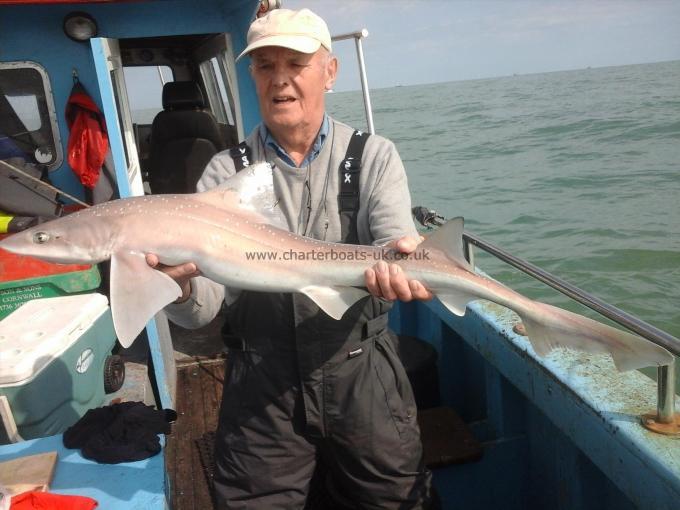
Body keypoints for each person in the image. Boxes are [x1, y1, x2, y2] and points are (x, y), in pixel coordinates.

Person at [149, 8, 437, 509]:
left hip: (360, 372)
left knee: (397, 500)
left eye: (296, 63)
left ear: (330, 71)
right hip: (261, 384)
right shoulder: (223, 173)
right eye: (264, 65)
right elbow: (204, 307)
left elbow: (395, 240)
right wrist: (177, 286)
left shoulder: (373, 157)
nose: (279, 79)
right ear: (252, 77)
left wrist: (403, 263)